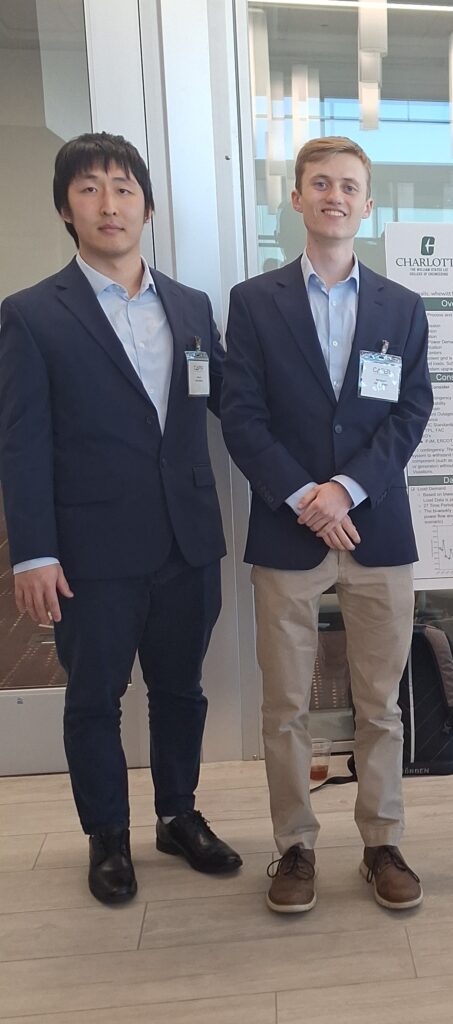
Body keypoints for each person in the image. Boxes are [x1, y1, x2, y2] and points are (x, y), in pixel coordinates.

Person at [0, 133, 241, 905]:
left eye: (124, 188)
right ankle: (107, 835)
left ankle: (177, 815)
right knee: (93, 700)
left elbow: (230, 406)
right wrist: (33, 552)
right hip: (91, 549)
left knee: (181, 690)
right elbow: (22, 441)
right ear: (66, 210)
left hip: (186, 540)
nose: (110, 204)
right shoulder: (31, 315)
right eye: (90, 189)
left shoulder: (191, 305)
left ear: (147, 207)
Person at [221, 136, 433, 914]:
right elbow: (240, 416)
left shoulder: (401, 308)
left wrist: (344, 490)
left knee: (380, 703)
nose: (333, 196)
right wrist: (304, 496)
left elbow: (410, 412)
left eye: (348, 185)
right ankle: (295, 848)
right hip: (287, 535)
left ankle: (381, 843)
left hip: (377, 531)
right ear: (297, 198)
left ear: (366, 205)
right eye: (319, 183)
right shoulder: (254, 302)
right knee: (286, 706)